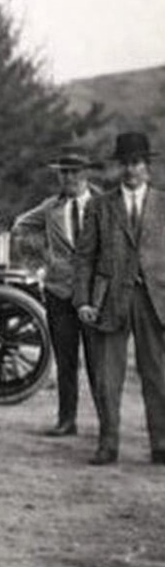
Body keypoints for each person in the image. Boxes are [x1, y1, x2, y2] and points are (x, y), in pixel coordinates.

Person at [75, 132, 165, 466]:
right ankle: (108, 444)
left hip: (154, 300)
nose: (131, 169)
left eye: (137, 162)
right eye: (125, 163)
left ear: (147, 166)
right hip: (110, 299)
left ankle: (161, 443)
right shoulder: (100, 206)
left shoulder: (163, 204)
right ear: (119, 167)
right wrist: (83, 300)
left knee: (157, 375)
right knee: (107, 378)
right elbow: (84, 257)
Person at [10, 148, 102, 436]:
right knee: (65, 361)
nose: (69, 178)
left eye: (75, 172)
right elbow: (20, 227)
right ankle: (66, 421)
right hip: (59, 293)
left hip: (95, 295)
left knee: (99, 362)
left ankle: (107, 424)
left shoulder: (104, 204)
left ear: (86, 174)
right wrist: (42, 259)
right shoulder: (50, 208)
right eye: (64, 173)